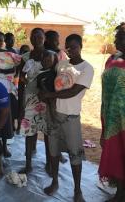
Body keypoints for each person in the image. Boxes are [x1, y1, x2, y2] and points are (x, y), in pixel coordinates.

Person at [39, 34, 94, 202]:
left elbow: (74, 91)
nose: (71, 51)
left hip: (71, 117)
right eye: (68, 47)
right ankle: (55, 182)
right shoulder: (62, 64)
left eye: (74, 47)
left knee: (75, 154)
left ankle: (78, 191)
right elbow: (49, 77)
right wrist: (44, 91)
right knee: (54, 152)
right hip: (53, 114)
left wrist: (48, 94)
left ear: (81, 46)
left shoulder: (87, 68)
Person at [18, 28, 51, 174]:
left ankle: (50, 164)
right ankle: (28, 164)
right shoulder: (25, 57)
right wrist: (20, 105)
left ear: (44, 38)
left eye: (40, 36)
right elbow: (20, 81)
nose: (37, 39)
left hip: (46, 99)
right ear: (30, 39)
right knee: (29, 132)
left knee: (47, 133)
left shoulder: (52, 56)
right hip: (29, 99)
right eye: (34, 36)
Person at [99, 26, 125, 202]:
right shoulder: (112, 59)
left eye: (120, 38)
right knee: (117, 156)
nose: (115, 41)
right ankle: (120, 194)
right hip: (112, 117)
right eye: (116, 37)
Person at [37, 50, 57, 124]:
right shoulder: (39, 74)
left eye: (49, 60)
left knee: (52, 117)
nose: (46, 62)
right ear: (41, 61)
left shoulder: (54, 73)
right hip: (43, 100)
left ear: (53, 61)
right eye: (44, 60)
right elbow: (39, 87)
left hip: (52, 99)